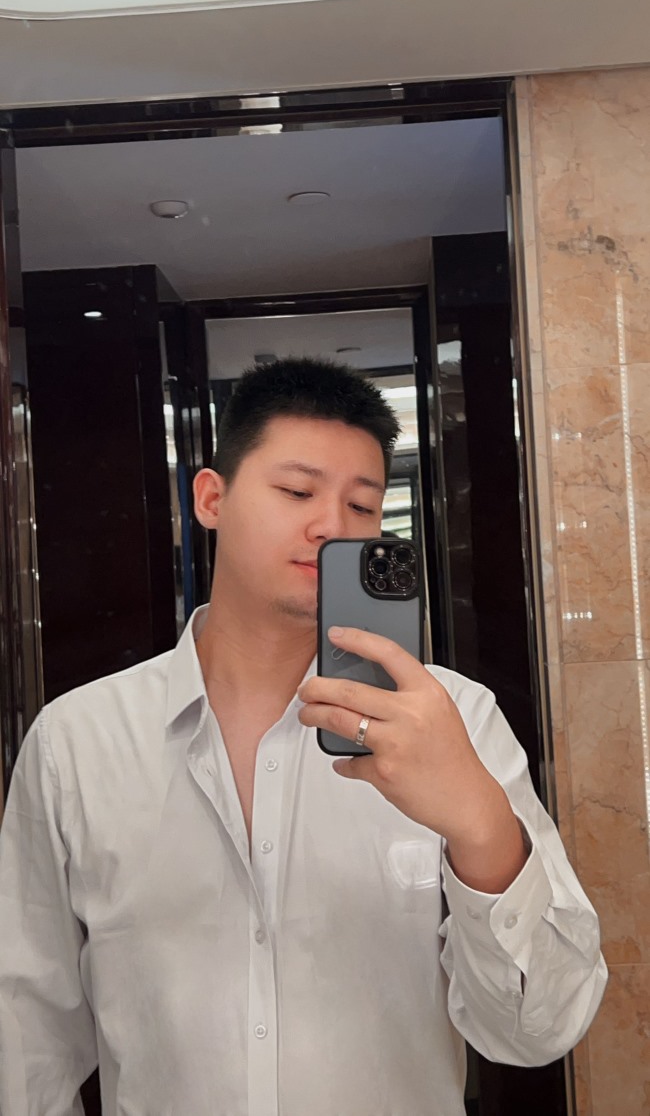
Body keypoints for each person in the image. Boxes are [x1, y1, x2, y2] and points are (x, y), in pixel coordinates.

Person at [0, 358, 606, 1116]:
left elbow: (538, 1030)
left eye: (362, 504)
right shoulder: (77, 742)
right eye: (296, 491)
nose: (331, 526)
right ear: (211, 498)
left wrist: (481, 828)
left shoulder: (455, 719)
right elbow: (24, 1035)